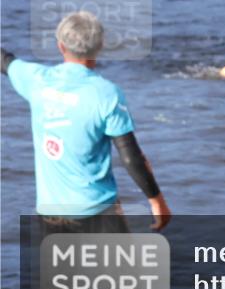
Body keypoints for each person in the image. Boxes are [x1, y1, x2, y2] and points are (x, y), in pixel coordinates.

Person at [1, 12, 171, 236]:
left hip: (50, 215)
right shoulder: (107, 94)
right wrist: (156, 200)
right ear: (99, 48)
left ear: (61, 46)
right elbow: (131, 157)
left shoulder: (36, 79)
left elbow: (5, 61)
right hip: (98, 212)